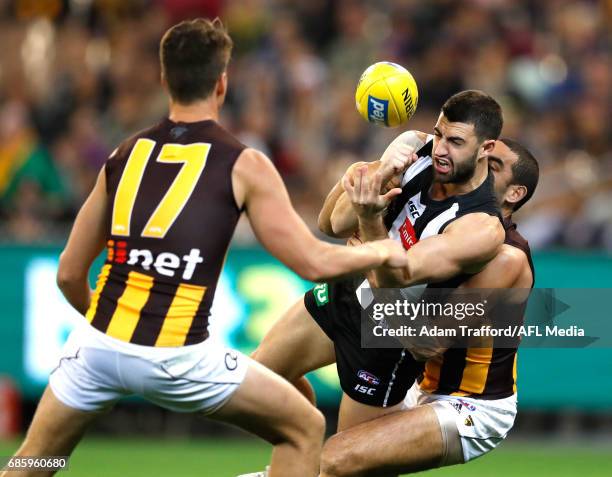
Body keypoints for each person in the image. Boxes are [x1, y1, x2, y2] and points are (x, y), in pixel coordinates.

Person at [1, 19, 408, 477]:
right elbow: (313, 262)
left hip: (97, 347)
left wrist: (113, 334)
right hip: (178, 355)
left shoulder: (123, 154)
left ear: (163, 79)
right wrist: (381, 252)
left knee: (36, 460)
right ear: (222, 82)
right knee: (303, 428)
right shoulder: (243, 163)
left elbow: (68, 274)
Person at [318, 137, 539, 476]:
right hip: (417, 382)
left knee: (337, 458)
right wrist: (380, 165)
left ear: (514, 194)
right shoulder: (450, 224)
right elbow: (330, 225)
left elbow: (429, 341)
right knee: (339, 459)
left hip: (469, 404)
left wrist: (373, 269)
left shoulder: (505, 257)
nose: (480, 168)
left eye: (493, 167)